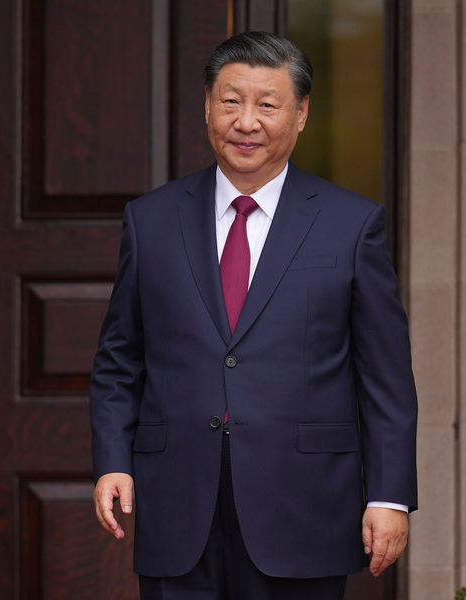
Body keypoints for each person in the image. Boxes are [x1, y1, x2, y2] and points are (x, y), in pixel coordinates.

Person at [90, 31, 417, 600]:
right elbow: (120, 360)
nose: (246, 121)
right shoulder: (151, 220)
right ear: (207, 107)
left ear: (301, 113)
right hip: (179, 506)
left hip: (305, 507)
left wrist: (388, 496)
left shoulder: (351, 224)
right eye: (231, 101)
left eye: (267, 104)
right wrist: (112, 461)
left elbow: (385, 378)